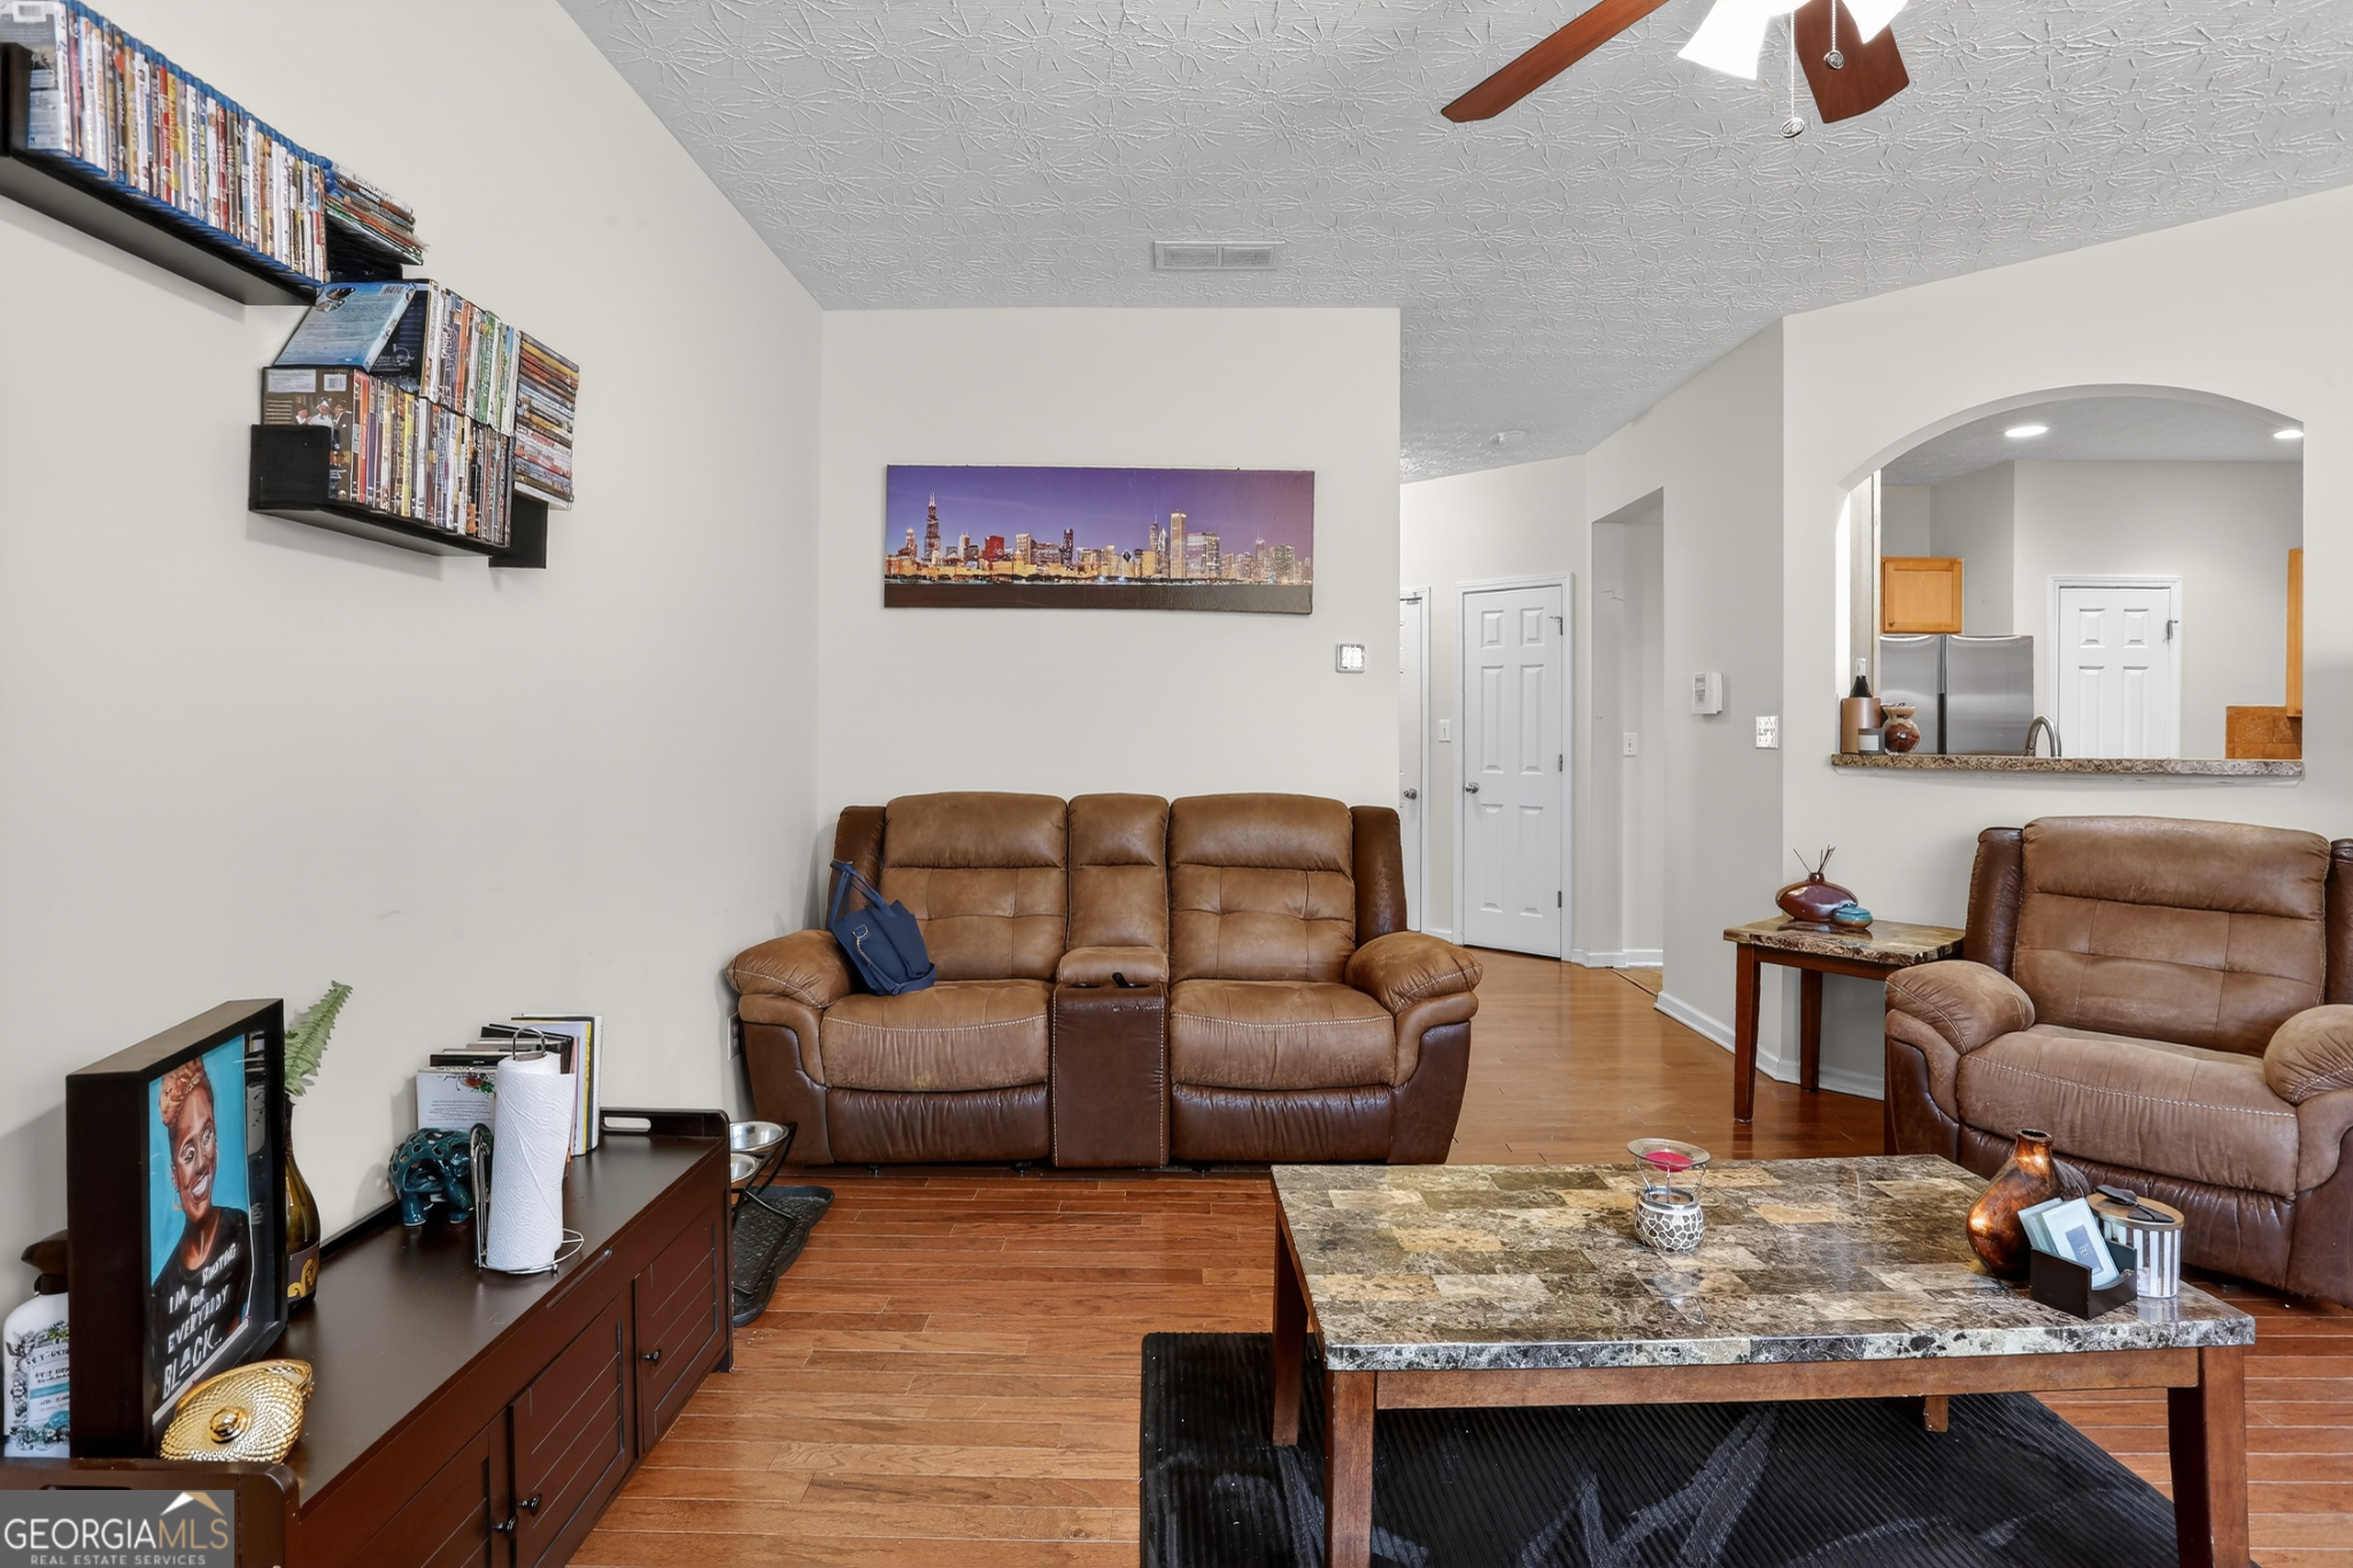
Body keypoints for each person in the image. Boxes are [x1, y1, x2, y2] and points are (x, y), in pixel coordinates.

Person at [148, 1059, 251, 1408]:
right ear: (174, 1174)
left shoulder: (240, 1231)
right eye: (188, 1154)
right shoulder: (159, 1297)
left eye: (207, 1136)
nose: (203, 1164)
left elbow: (243, 1338)